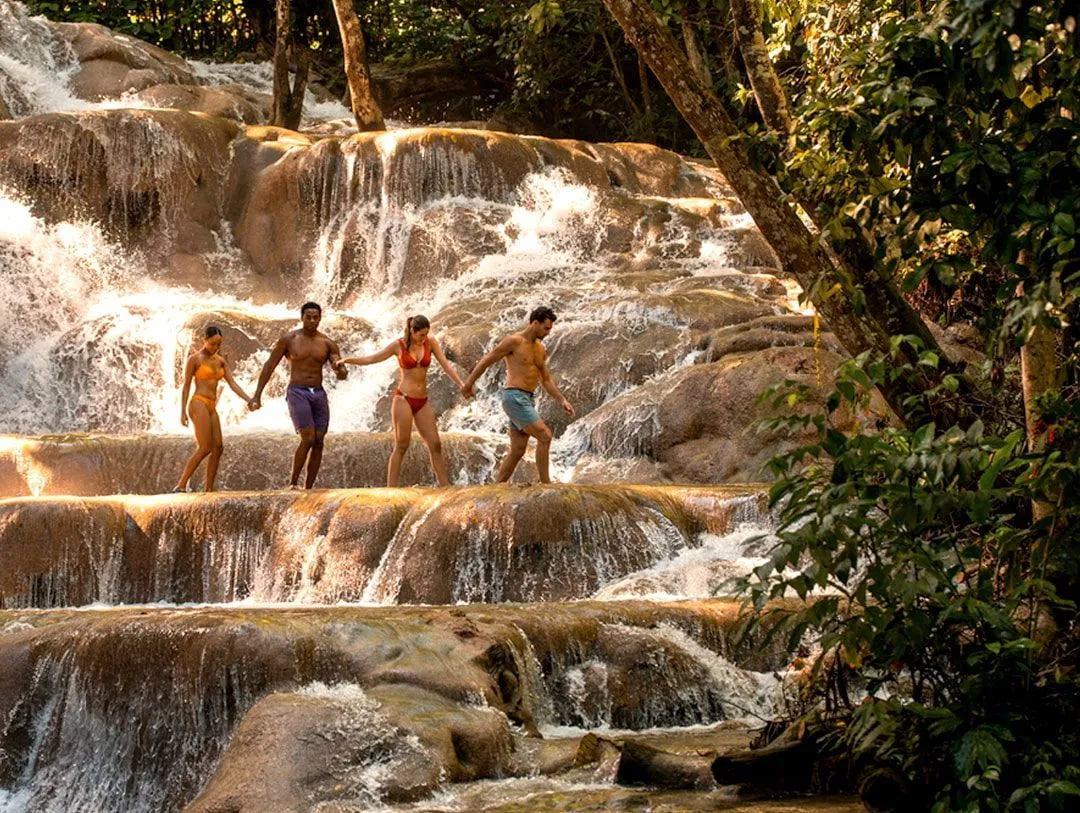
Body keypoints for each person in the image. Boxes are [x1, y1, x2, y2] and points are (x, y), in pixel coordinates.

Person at [341, 314, 468, 487]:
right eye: (421, 335)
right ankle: (391, 488)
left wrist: (462, 384)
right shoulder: (398, 345)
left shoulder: (430, 342)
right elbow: (372, 359)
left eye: (426, 334)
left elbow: (446, 365)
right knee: (402, 444)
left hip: (422, 400)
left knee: (435, 444)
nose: (424, 338)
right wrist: (348, 360)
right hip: (404, 399)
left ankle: (445, 486)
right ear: (412, 331)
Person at [462, 306, 574, 484]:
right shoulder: (513, 341)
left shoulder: (540, 350)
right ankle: (546, 484)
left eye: (550, 328)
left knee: (518, 449)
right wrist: (469, 383)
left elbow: (545, 380)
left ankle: (496, 487)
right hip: (514, 396)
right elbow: (487, 360)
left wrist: (562, 400)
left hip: (527, 399)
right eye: (546, 328)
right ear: (534, 323)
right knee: (544, 436)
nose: (548, 332)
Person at [248, 302, 347, 489]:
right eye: (308, 317)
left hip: (318, 393)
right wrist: (257, 395)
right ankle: (293, 483)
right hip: (297, 391)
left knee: (319, 440)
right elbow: (270, 365)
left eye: (316, 317)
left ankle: (308, 488)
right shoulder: (290, 339)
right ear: (301, 317)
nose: (312, 320)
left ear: (320, 318)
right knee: (308, 437)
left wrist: (340, 370)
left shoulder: (327, 343)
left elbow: (340, 371)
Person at [172, 325, 253, 493]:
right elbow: (186, 386)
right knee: (205, 447)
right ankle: (180, 485)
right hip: (198, 402)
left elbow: (232, 383)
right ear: (205, 340)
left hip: (211, 405)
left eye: (219, 344)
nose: (216, 347)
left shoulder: (220, 361)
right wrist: (181, 412)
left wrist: (249, 399)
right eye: (213, 344)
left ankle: (209, 488)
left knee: (218, 447)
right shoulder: (195, 359)